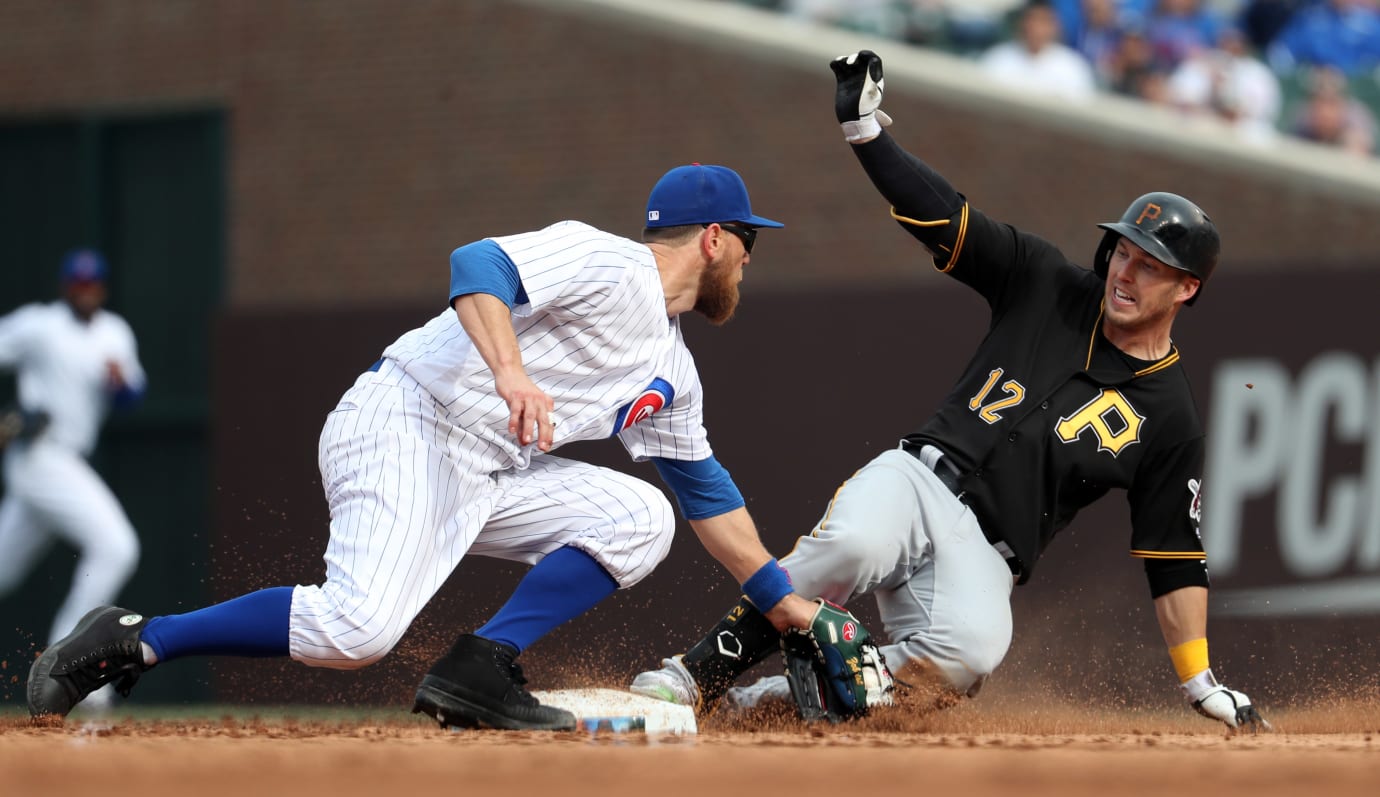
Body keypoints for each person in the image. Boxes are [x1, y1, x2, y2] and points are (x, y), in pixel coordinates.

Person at [27, 164, 821, 729]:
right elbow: (477, 263)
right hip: (407, 418)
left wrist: (783, 602)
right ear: (714, 238)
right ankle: (136, 638)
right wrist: (511, 372)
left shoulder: (674, 370)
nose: (752, 260)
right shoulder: (611, 263)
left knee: (643, 515)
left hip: (489, 466)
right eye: (750, 241)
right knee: (357, 632)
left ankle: (481, 664)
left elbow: (706, 493)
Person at [632, 50, 1270, 732]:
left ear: (1188, 287)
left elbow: (1174, 554)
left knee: (970, 650)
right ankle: (691, 675)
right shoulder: (1045, 280)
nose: (1126, 271)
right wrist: (865, 132)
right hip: (920, 481)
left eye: (1150, 265)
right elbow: (944, 216)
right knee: (850, 546)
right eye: (1123, 251)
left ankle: (756, 710)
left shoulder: (1171, 415)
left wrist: (1199, 680)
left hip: (990, 552)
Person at [0, 249, 146, 712]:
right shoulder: (39, 325)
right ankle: (67, 667)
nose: (85, 289)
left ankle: (65, 666)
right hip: (40, 455)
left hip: (65, 459)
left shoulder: (114, 332)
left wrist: (121, 385)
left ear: (101, 287)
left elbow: (133, 396)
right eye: (77, 282)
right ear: (66, 285)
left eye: (92, 282)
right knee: (117, 546)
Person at [979, 0, 1098, 102]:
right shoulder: (997, 59)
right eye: (1031, 20)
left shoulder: (1073, 67)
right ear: (1021, 23)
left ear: (1054, 26)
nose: (1036, 28)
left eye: (1043, 21)